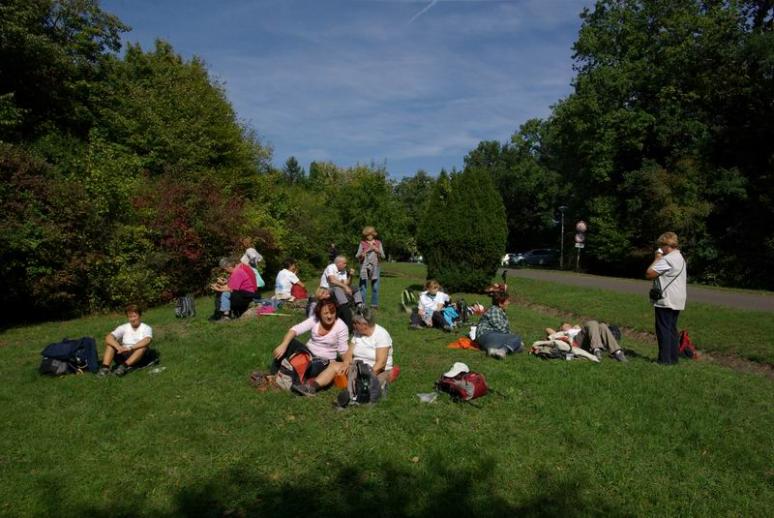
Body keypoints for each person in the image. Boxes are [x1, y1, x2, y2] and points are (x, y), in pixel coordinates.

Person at [272, 299, 349, 397]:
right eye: (325, 313)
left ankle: (293, 380)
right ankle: (274, 374)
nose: (329, 316)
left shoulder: (341, 326)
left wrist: (346, 362)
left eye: (332, 313)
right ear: (319, 313)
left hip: (324, 360)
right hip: (308, 352)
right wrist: (284, 344)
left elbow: (343, 350)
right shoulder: (315, 319)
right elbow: (294, 330)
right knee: (291, 342)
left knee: (310, 364)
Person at [646, 231, 687, 365]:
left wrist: (657, 258)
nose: (661, 249)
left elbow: (649, 273)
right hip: (678, 298)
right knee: (672, 329)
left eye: (661, 246)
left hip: (666, 298)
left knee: (663, 329)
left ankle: (664, 360)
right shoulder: (680, 257)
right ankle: (673, 359)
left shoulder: (667, 259)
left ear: (665, 245)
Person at [97, 305, 152, 377]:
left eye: (134, 316)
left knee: (143, 347)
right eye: (130, 317)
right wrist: (118, 347)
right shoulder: (124, 327)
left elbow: (147, 340)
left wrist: (130, 348)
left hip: (138, 354)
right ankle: (105, 369)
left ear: (140, 316)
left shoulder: (146, 327)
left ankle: (123, 367)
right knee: (110, 345)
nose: (132, 319)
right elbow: (108, 337)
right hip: (123, 352)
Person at [475, 289, 522, 359]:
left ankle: (494, 350)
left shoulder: (498, 311)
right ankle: (502, 350)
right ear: (500, 303)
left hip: (489, 337)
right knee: (517, 338)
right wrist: (512, 336)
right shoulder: (495, 310)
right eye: (507, 301)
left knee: (519, 347)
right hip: (487, 336)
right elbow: (500, 327)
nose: (509, 303)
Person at [546, 321, 627, 361]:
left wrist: (577, 328)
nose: (568, 326)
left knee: (602, 325)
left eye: (569, 324)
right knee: (592, 322)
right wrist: (559, 331)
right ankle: (596, 349)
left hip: (588, 341)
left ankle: (617, 352)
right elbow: (547, 329)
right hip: (577, 342)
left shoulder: (577, 329)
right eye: (565, 326)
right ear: (561, 329)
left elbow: (589, 331)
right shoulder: (562, 333)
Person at [320, 255, 359, 330]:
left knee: (355, 288)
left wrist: (351, 276)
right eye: (344, 263)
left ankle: (360, 306)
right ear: (338, 263)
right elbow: (332, 280)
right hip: (326, 290)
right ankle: (348, 321)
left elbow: (346, 284)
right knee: (337, 289)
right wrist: (345, 287)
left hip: (338, 290)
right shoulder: (331, 267)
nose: (346, 265)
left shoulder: (343, 270)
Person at [356, 226, 385, 309]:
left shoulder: (378, 243)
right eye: (367, 235)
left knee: (375, 286)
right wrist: (364, 252)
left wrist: (376, 249)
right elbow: (357, 255)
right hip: (364, 267)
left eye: (370, 234)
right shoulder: (362, 243)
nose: (369, 236)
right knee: (363, 286)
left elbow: (383, 256)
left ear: (373, 234)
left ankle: (374, 305)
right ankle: (362, 305)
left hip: (376, 267)